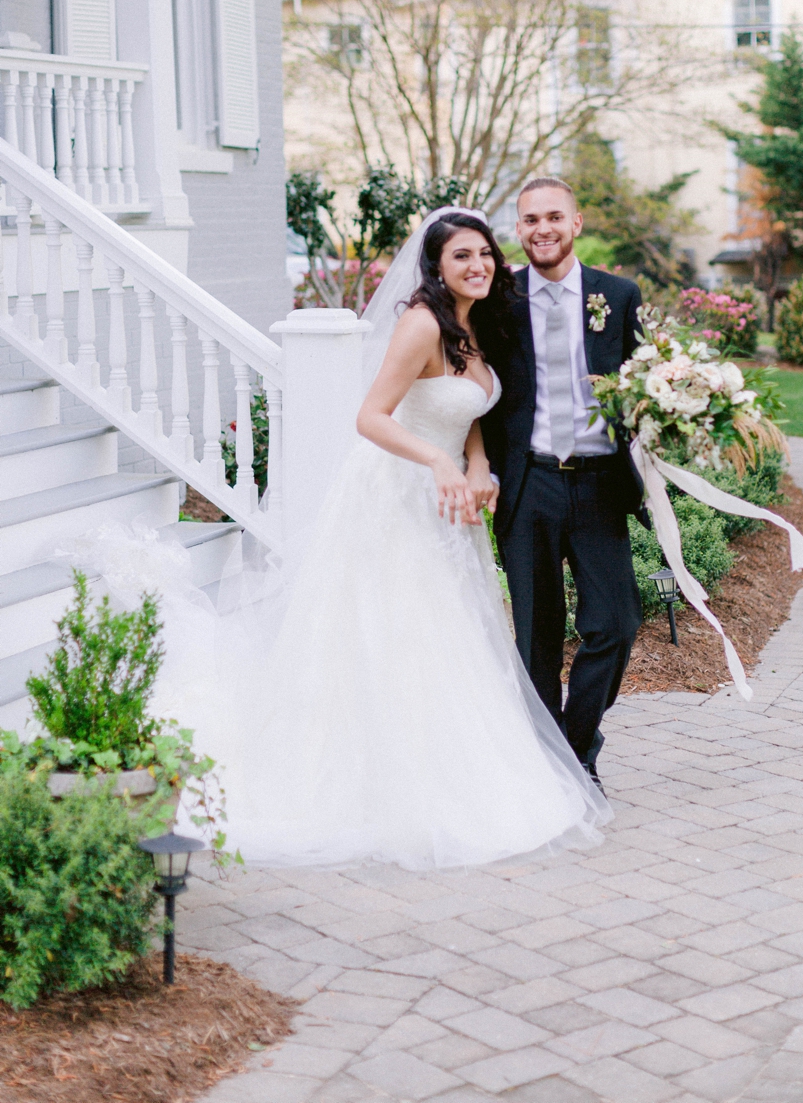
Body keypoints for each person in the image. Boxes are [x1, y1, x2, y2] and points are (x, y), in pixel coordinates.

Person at [127, 208, 611, 870]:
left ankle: (454, 767)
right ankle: (379, 782)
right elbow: (371, 417)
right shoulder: (421, 323)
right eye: (461, 257)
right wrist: (439, 462)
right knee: (395, 630)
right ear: (436, 267)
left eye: (485, 254)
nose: (478, 265)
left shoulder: (474, 324)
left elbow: (467, 413)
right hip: (396, 494)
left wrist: (474, 463)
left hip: (448, 504)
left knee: (453, 635)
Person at [478, 178, 646, 790]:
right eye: (529, 220)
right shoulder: (497, 299)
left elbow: (646, 380)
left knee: (617, 621)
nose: (541, 229)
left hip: (601, 484)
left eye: (553, 217)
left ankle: (573, 748)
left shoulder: (618, 296)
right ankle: (556, 769)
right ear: (516, 231)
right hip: (529, 485)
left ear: (576, 222)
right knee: (536, 637)